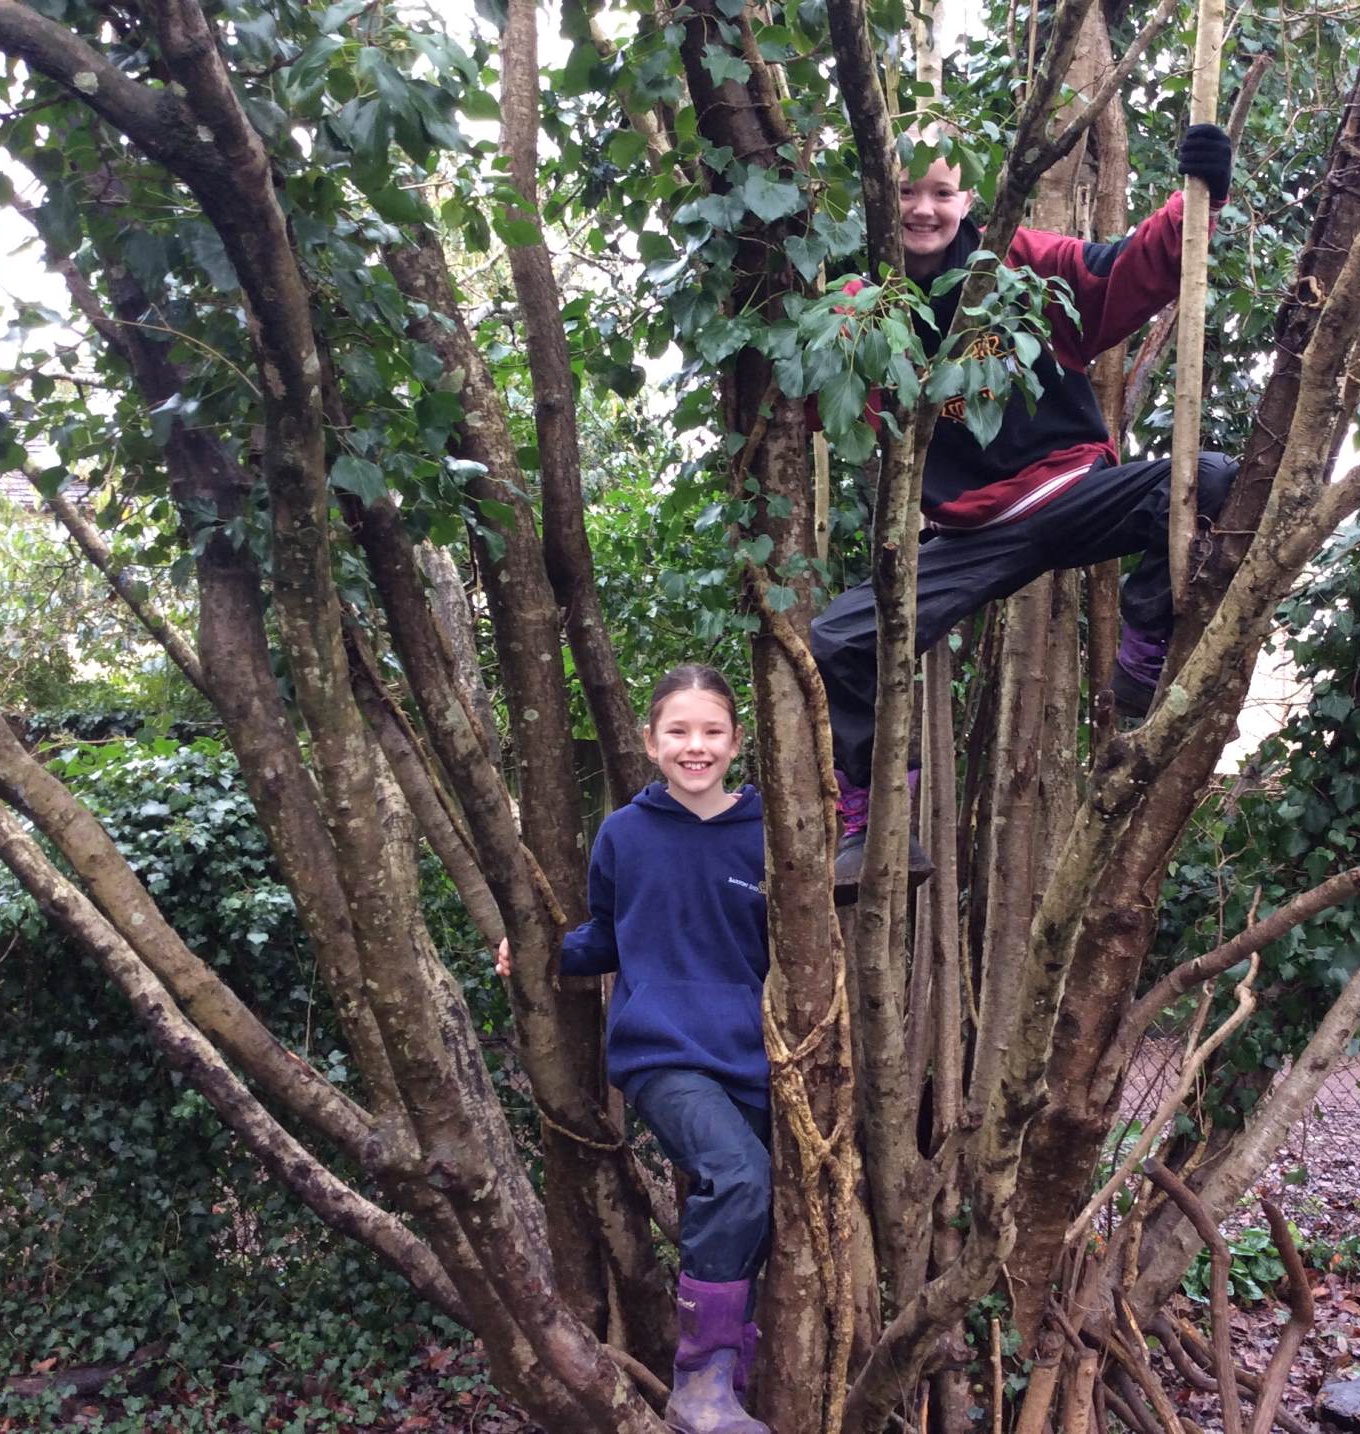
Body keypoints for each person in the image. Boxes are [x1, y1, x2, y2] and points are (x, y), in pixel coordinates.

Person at [814, 125, 1242, 903]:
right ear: (879, 192)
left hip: (1067, 489)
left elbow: (1119, 274)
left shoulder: (1017, 262)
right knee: (841, 637)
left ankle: (1142, 661)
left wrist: (1197, 201)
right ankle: (876, 822)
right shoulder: (858, 305)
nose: (922, 209)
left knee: (1212, 480)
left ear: (968, 200)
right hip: (967, 531)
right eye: (906, 191)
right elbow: (816, 401)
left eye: (941, 192)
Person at [497, 664, 771, 1434]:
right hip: (663, 1050)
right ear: (651, 742)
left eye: (712, 731)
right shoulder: (625, 832)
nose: (696, 746)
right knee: (739, 1176)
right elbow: (613, 933)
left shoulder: (768, 833)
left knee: (762, 1211)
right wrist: (544, 951)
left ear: (737, 741)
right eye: (678, 731)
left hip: (757, 1056)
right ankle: (699, 1384)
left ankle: (732, 1386)